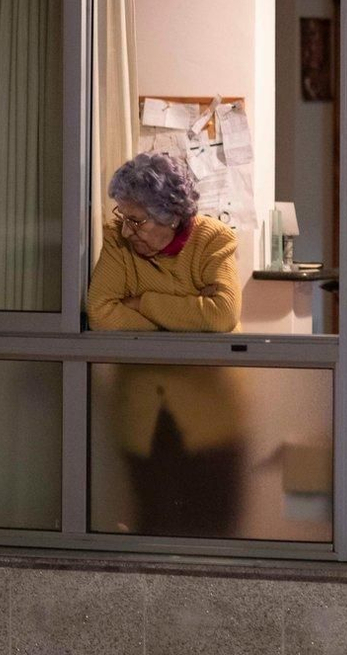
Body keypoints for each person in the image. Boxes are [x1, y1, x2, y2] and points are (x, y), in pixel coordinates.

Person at [86, 153, 244, 536]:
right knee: (150, 529)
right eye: (122, 217)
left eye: (136, 220)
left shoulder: (213, 241)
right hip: (141, 417)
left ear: (171, 216)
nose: (126, 231)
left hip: (209, 420)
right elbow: (101, 314)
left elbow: (221, 314)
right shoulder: (118, 243)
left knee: (211, 535)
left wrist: (142, 301)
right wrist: (190, 314)